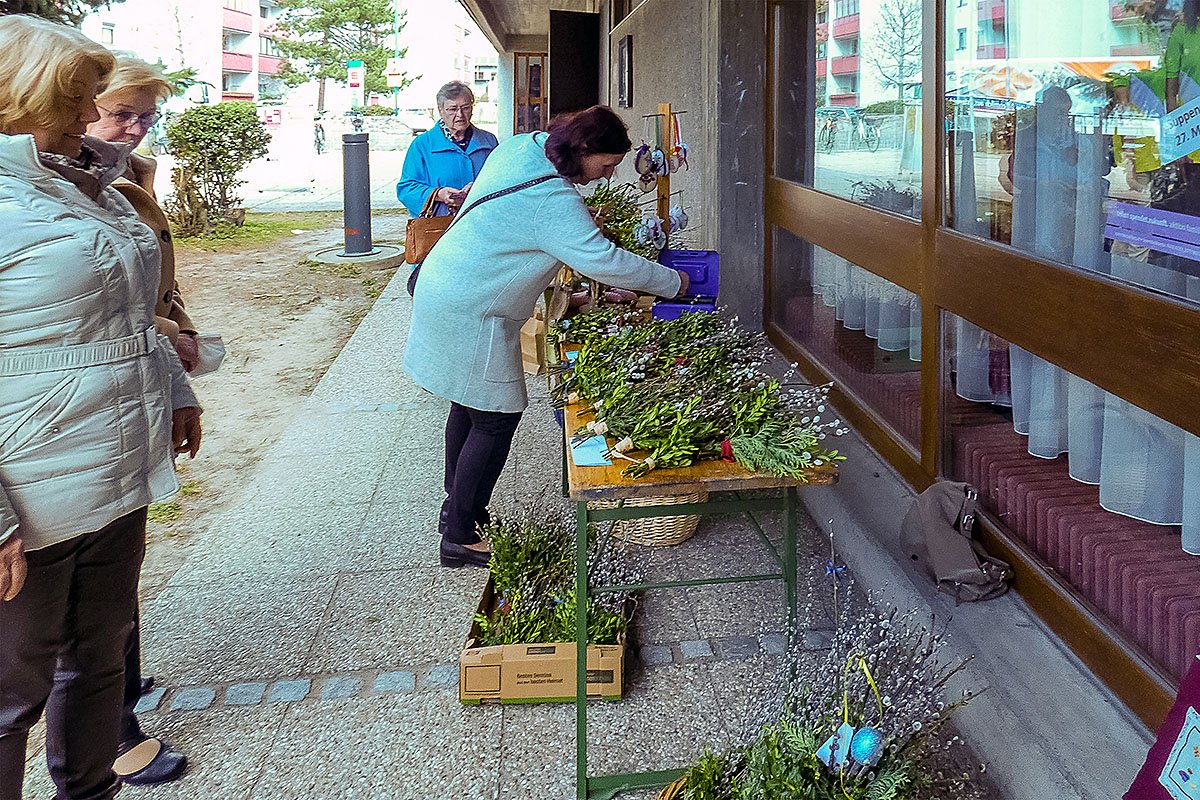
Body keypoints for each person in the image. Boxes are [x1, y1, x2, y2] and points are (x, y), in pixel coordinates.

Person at [0, 15, 201, 800]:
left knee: (100, 659)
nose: (93, 116)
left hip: (117, 467)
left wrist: (175, 388)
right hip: (31, 493)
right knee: (10, 700)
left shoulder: (79, 183)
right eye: (79, 99)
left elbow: (132, 313)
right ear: (22, 97)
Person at [403, 105, 688, 568]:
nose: (606, 176)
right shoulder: (554, 199)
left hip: (443, 281)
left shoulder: (524, 146)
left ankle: (457, 509)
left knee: (468, 402)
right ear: (583, 150)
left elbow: (514, 218)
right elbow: (604, 261)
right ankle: (459, 537)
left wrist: (575, 223)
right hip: (472, 310)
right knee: (496, 416)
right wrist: (674, 283)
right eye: (607, 165)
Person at [85, 54, 197, 787]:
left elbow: (159, 284)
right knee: (82, 601)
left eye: (146, 116)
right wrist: (165, 334)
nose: (133, 129)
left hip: (135, 389)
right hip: (75, 417)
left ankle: (121, 690)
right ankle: (114, 732)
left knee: (118, 566)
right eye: (120, 113)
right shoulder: (67, 194)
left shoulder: (127, 183)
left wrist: (180, 375)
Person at [395, 80, 498, 218]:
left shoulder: (489, 141)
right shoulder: (423, 145)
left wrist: (479, 187)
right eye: (452, 109)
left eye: (465, 108)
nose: (460, 115)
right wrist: (438, 194)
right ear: (440, 110)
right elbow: (406, 189)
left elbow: (502, 181)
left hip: (482, 222)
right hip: (440, 227)